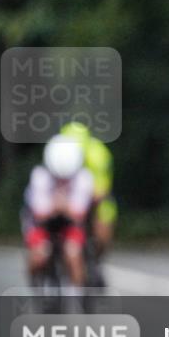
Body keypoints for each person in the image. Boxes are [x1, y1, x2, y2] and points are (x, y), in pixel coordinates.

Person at [22, 134, 94, 297]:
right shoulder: (39, 176)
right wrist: (62, 206)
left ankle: (76, 298)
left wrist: (58, 206)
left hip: (70, 225)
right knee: (38, 255)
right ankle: (36, 283)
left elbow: (79, 214)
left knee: (73, 253)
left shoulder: (83, 177)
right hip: (42, 226)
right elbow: (40, 214)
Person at [60, 121, 116, 257]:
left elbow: (102, 189)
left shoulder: (98, 155)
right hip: (67, 198)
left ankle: (97, 257)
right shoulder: (57, 153)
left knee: (103, 225)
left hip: (95, 198)